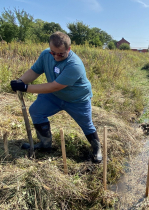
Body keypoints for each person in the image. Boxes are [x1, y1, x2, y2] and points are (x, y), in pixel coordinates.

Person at [10, 31, 102, 163]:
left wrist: (26, 88)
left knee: (86, 125)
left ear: (69, 49)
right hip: (53, 97)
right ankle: (45, 144)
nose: (56, 56)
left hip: (77, 100)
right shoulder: (46, 54)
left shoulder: (74, 65)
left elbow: (54, 86)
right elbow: (35, 71)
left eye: (61, 53)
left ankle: (97, 149)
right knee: (36, 111)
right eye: (53, 52)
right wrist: (21, 81)